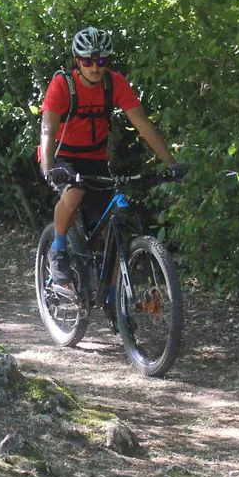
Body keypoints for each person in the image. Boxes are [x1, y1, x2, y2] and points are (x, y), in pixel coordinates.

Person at [37, 26, 183, 296]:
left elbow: (142, 123)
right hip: (62, 157)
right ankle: (58, 249)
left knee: (114, 232)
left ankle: (113, 297)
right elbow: (47, 129)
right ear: (76, 60)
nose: (95, 67)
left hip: (95, 158)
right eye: (88, 61)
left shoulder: (114, 83)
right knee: (75, 192)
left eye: (102, 61)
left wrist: (171, 163)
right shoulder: (62, 84)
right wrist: (48, 169)